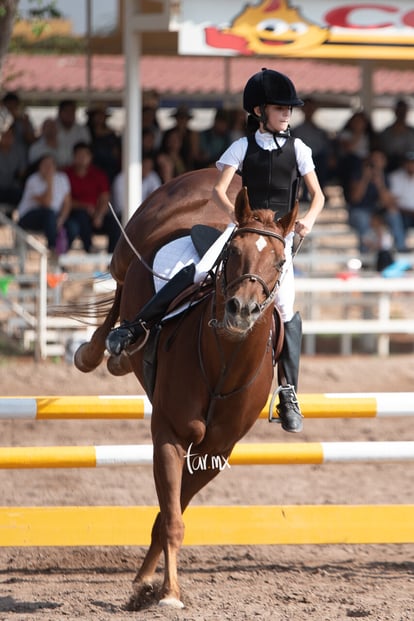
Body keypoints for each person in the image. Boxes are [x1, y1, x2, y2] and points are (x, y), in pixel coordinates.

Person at [106, 68, 325, 435]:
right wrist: (237, 219)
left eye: (289, 108)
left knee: (286, 306)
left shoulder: (300, 149)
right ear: (259, 111)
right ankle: (134, 327)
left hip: (278, 239)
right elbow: (219, 192)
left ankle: (288, 392)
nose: (287, 113)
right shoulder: (242, 147)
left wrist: (310, 221)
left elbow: (317, 195)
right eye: (280, 108)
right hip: (242, 230)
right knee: (195, 271)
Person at [346, 148, 407, 253]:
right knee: (362, 219)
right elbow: (355, 198)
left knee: (393, 214)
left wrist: (380, 184)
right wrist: (365, 178)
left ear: (384, 162)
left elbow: (387, 203)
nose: (376, 163)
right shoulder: (358, 174)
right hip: (360, 211)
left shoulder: (386, 177)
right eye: (373, 159)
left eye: (379, 159)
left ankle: (400, 248)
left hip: (377, 212)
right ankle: (364, 253)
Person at [64, 142, 119, 253]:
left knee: (115, 224)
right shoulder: (65, 174)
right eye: (79, 155)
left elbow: (105, 197)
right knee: (81, 217)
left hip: (96, 214)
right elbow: (65, 200)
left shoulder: (99, 174)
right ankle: (89, 249)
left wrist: (99, 214)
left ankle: (112, 257)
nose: (82, 159)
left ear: (90, 157)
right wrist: (85, 207)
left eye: (85, 155)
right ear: (74, 157)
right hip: (74, 214)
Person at [17, 153, 74, 255]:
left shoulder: (62, 178)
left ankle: (62, 253)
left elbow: (67, 203)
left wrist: (62, 219)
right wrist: (49, 182)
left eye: (51, 164)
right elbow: (47, 203)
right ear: (39, 166)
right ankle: (52, 249)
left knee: (73, 226)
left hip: (54, 217)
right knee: (49, 214)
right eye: (45, 164)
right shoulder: (32, 180)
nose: (48, 168)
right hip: (29, 216)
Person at [379, 99, 414, 173]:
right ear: (395, 111)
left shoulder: (411, 132)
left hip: (409, 165)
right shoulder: (386, 132)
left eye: (403, 111)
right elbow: (382, 150)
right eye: (399, 111)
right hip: (390, 165)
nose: (401, 113)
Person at [388, 150, 414, 248]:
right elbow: (392, 201)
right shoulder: (395, 177)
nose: (411, 165)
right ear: (404, 164)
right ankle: (401, 247)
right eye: (409, 162)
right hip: (403, 214)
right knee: (392, 213)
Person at [55, 100, 91, 168]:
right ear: (59, 112)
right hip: (55, 169)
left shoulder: (82, 130)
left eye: (72, 111)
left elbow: (86, 151)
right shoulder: (52, 128)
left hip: (76, 170)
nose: (69, 114)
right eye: (66, 111)